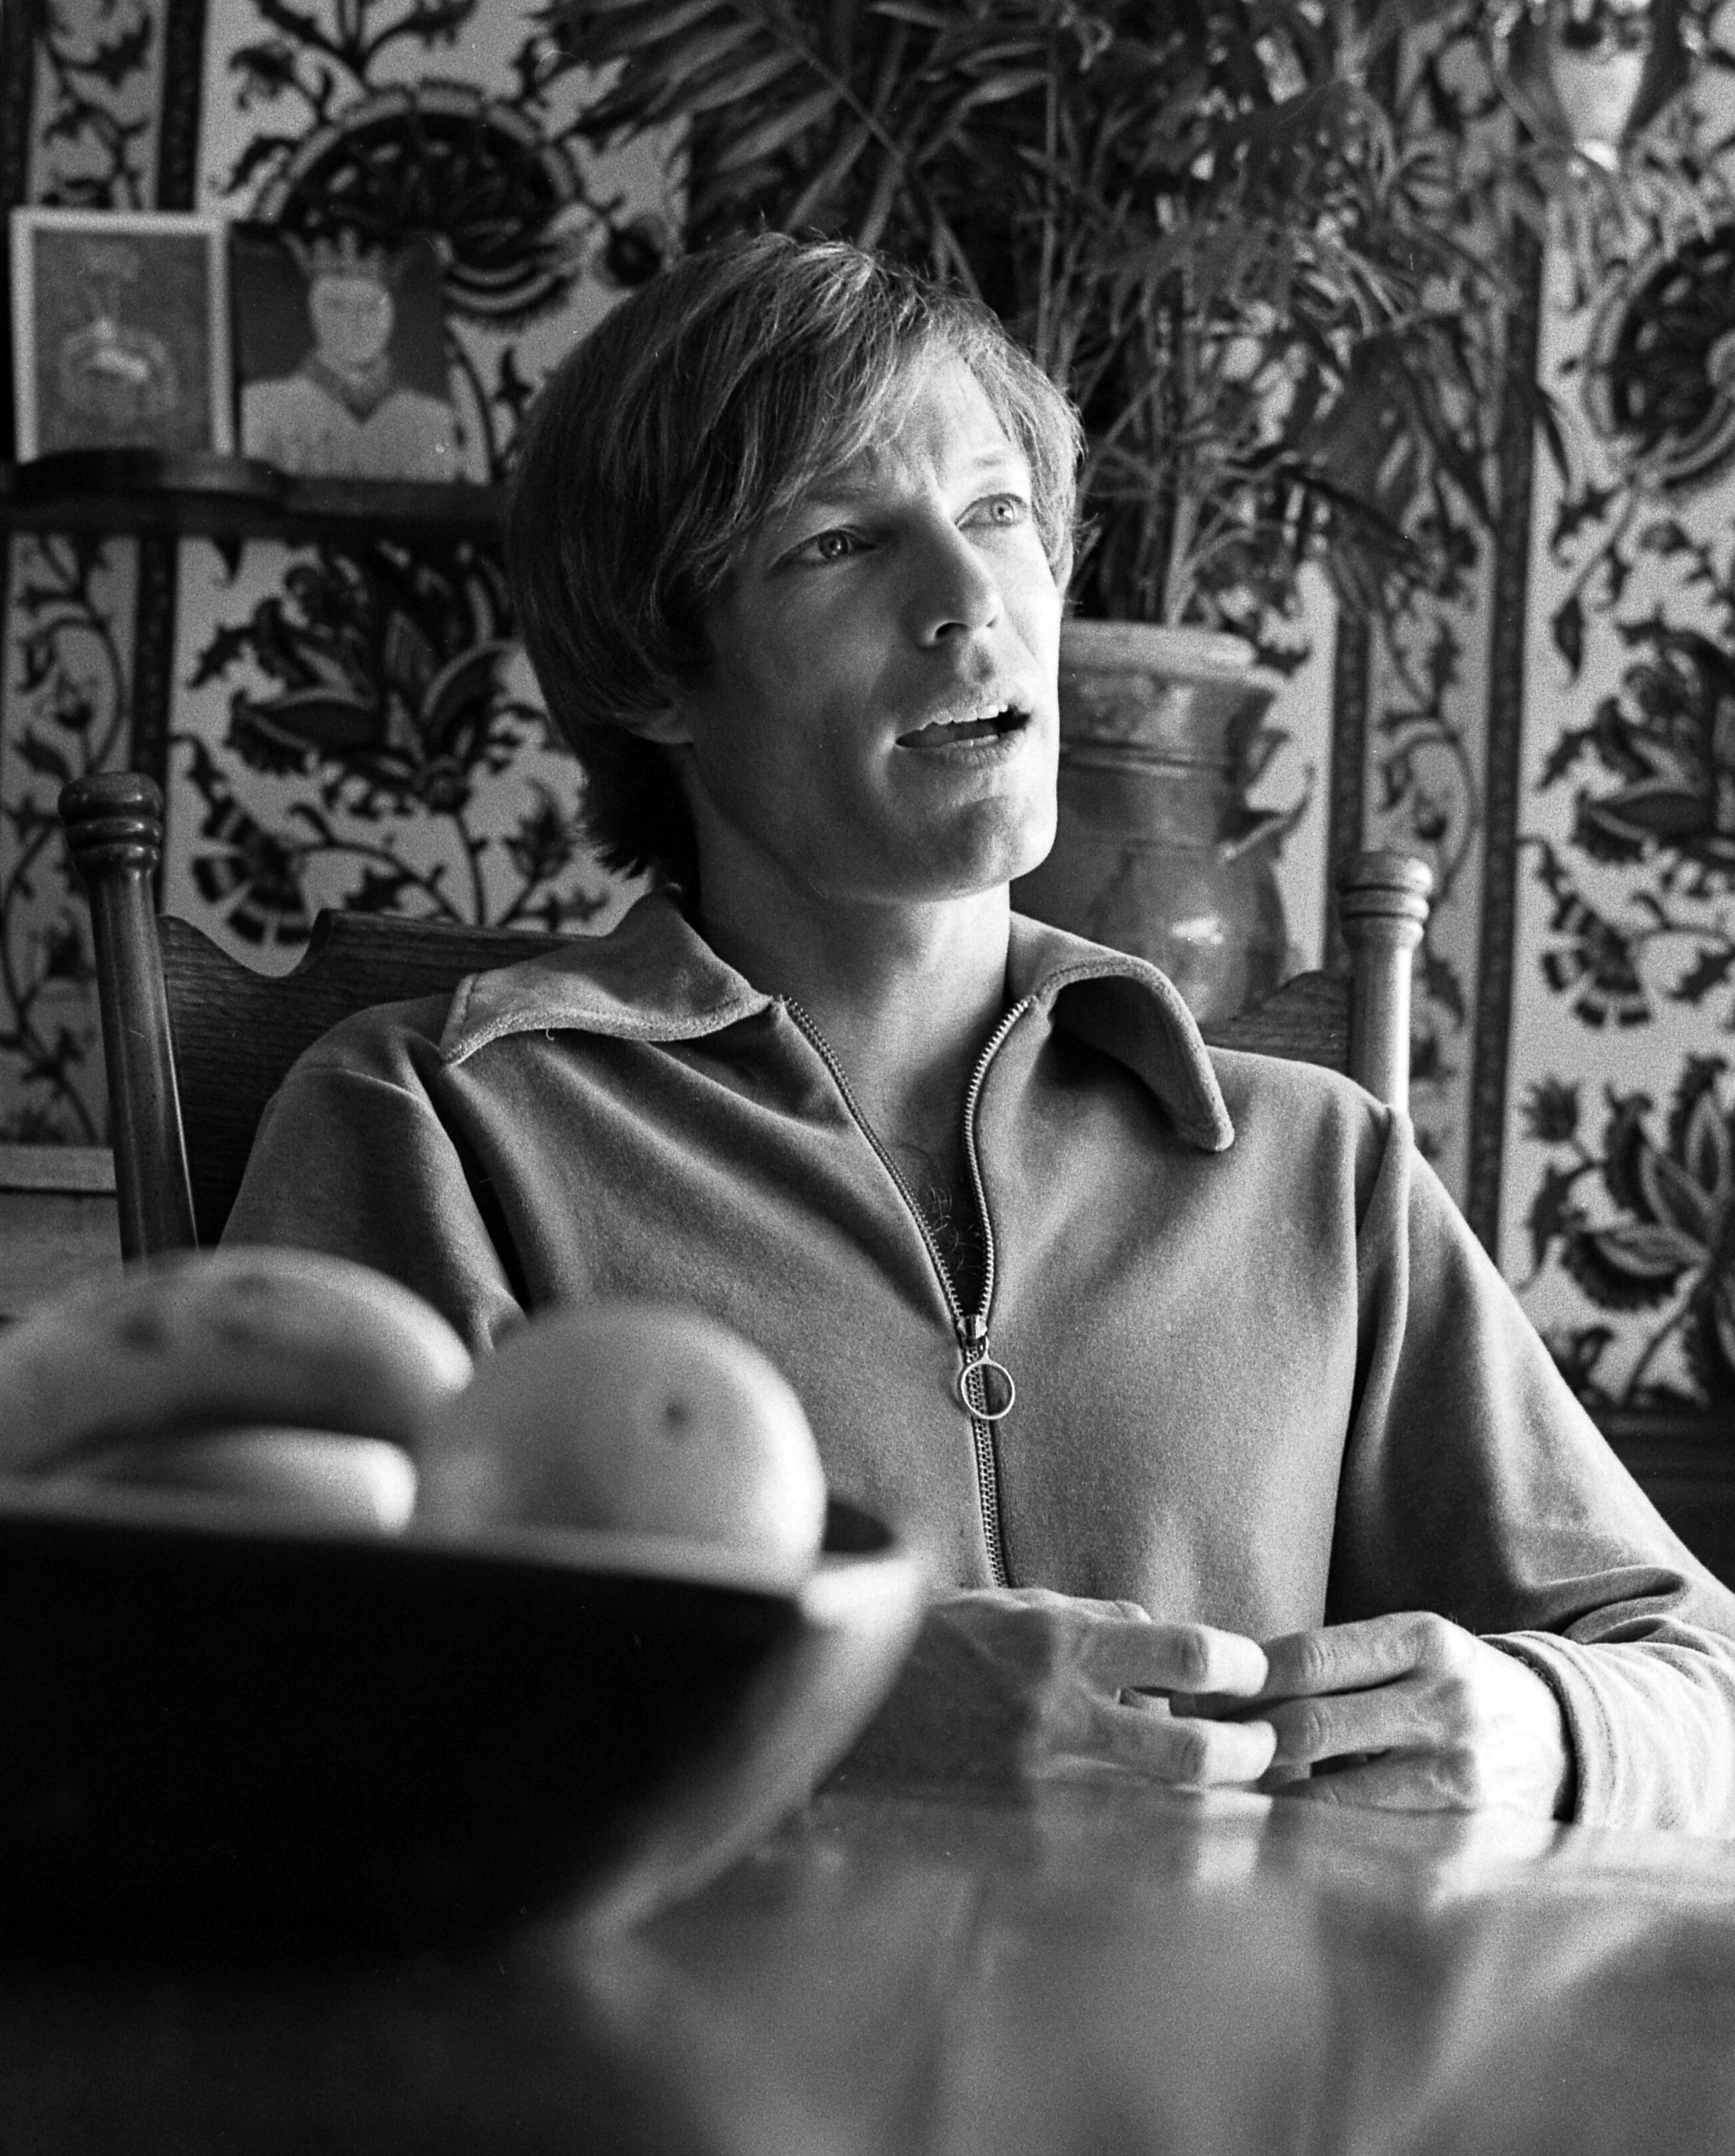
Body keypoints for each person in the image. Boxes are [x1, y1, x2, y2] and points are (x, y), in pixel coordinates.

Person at [224, 234, 1735, 1833]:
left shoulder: (1314, 1164)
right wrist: (843, 1706)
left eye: (998, 513)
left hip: (1249, 2006)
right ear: (657, 667)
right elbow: (272, 1697)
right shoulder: (441, 1120)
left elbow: (1700, 1680)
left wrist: (1538, 1721)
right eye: (835, 542)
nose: (966, 602)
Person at [240, 230, 456, 482]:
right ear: (312, 311)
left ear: (392, 314)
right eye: (335, 306)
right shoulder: (261, 407)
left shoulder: (432, 420)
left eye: (371, 308)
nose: (354, 322)